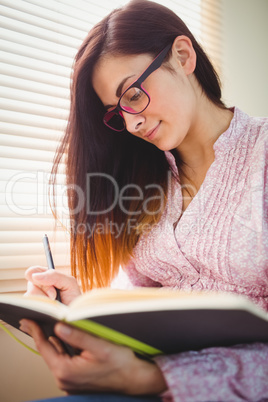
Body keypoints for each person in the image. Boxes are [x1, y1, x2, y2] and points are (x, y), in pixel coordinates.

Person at [20, 0, 268, 401]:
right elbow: (135, 297)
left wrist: (155, 380)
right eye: (116, 112)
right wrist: (78, 309)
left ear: (182, 56)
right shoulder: (145, 181)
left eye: (133, 94)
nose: (131, 122)